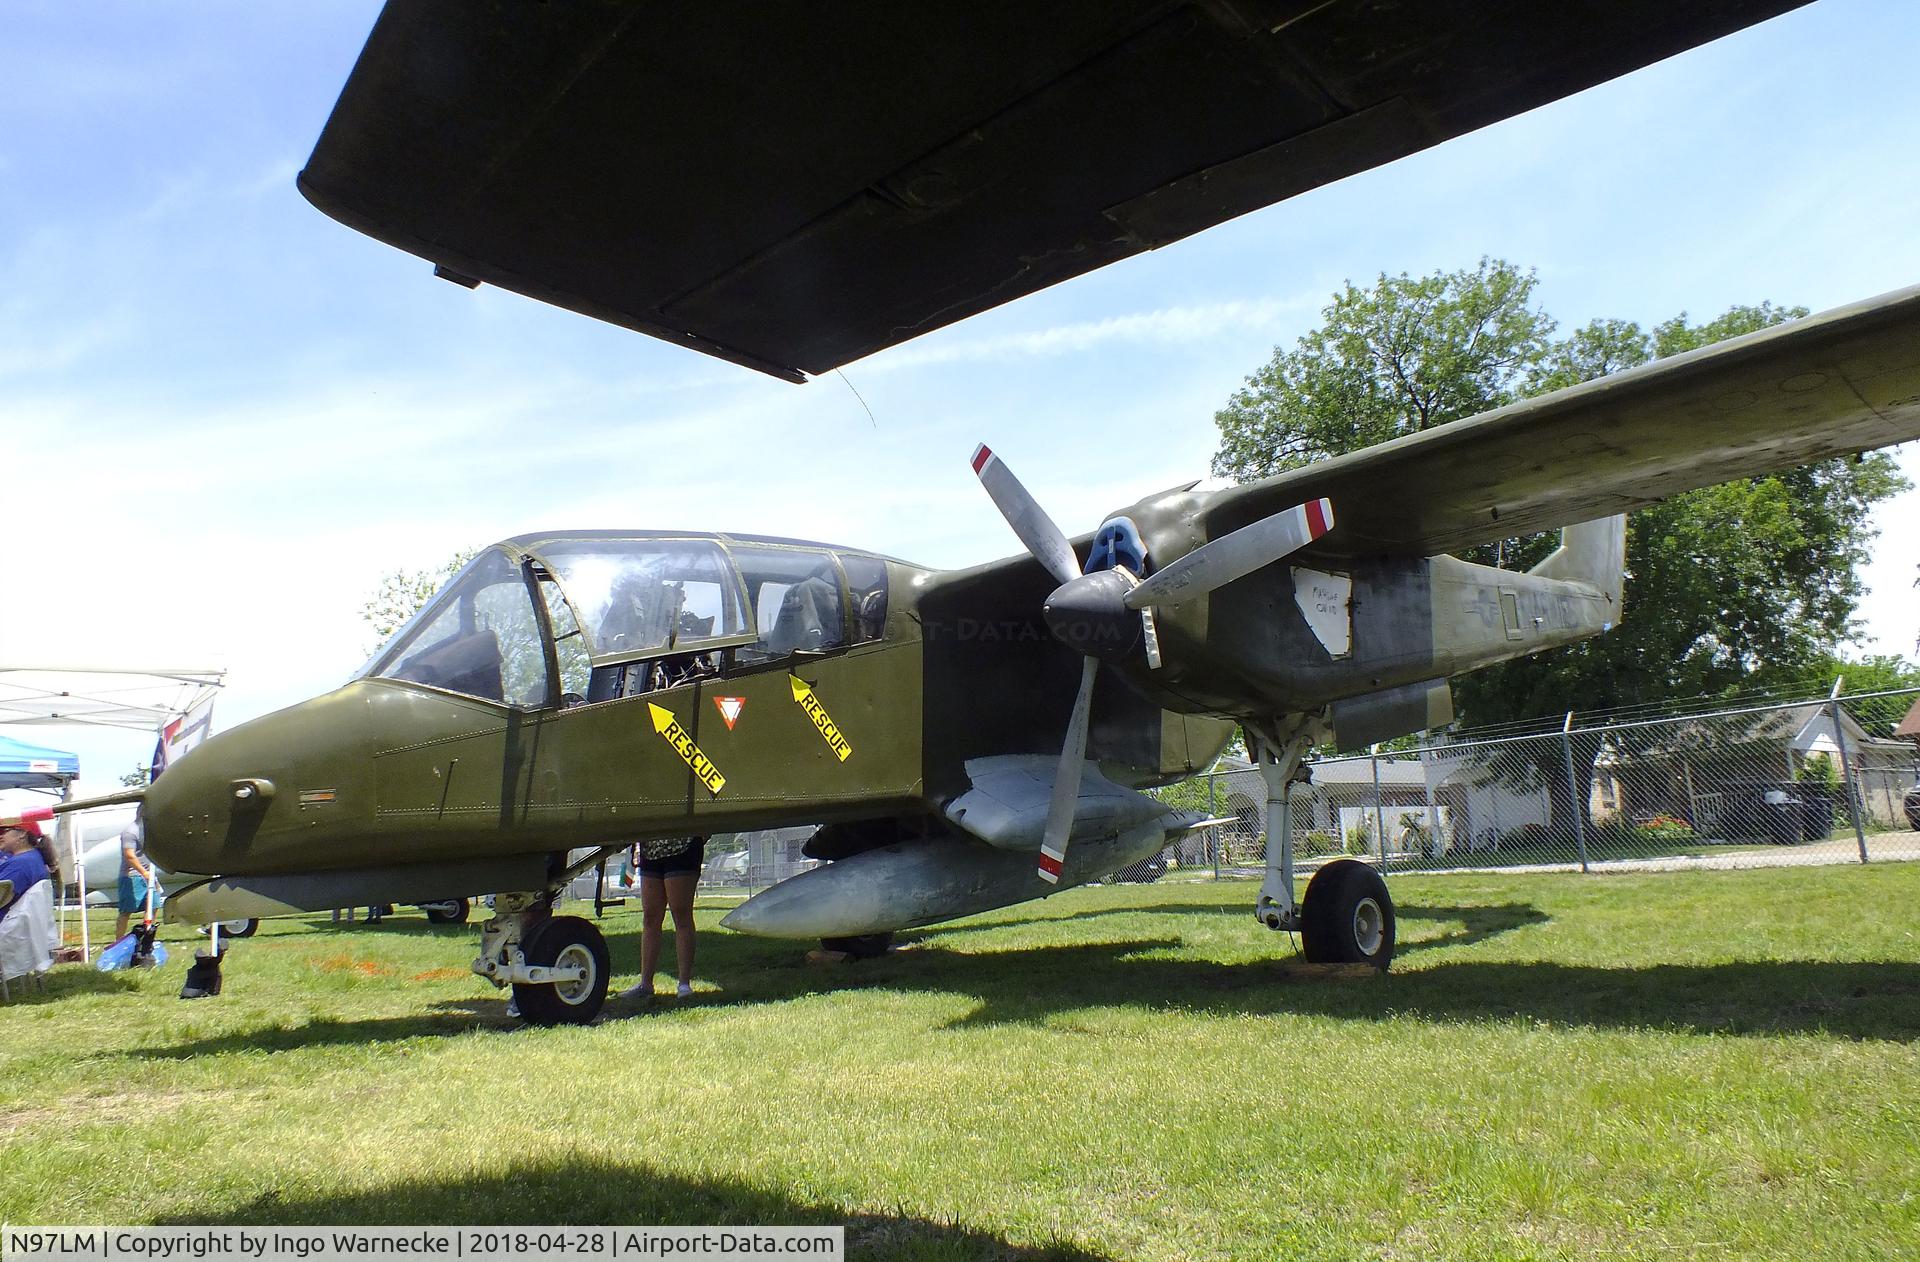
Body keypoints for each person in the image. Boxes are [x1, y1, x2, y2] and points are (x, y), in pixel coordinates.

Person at [621, 835, 705, 1005]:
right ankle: (645, 983)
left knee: (681, 914)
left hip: (683, 848)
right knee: (650, 918)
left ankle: (684, 984)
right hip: (650, 851)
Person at [115, 815, 155, 940]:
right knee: (126, 911)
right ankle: (119, 941)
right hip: (132, 877)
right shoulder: (130, 832)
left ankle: (145, 938)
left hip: (150, 874)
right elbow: (129, 855)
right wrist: (144, 873)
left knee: (153, 905)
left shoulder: (148, 831)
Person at [0, 823, 50, 922]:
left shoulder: (20, 864)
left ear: (22, 834)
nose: (0, 836)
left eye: (4, 831)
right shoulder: (32, 858)